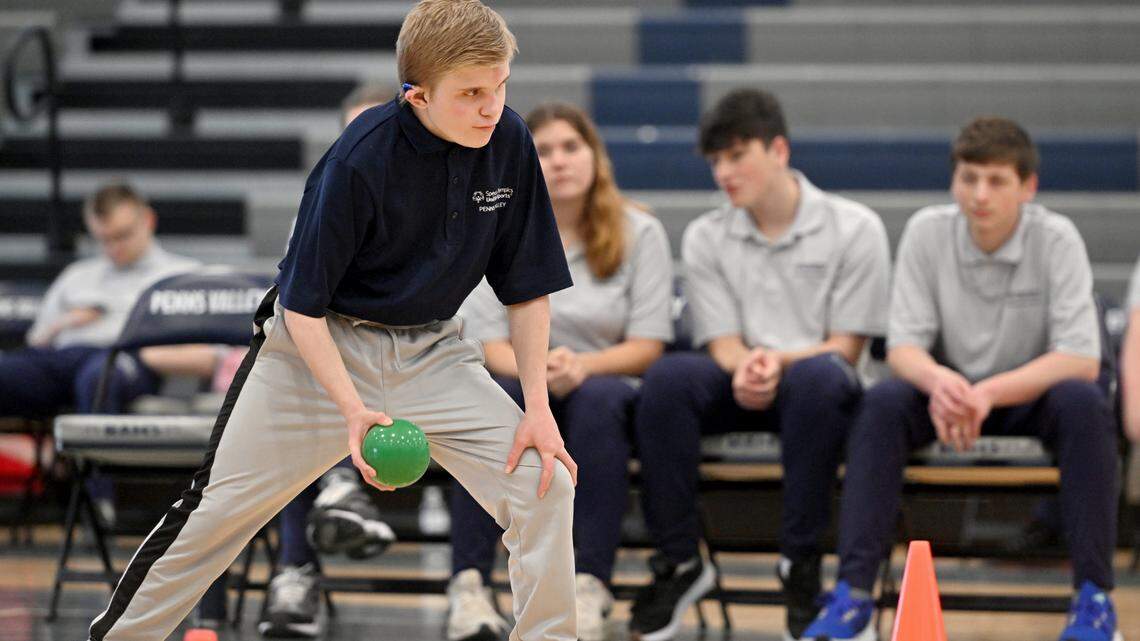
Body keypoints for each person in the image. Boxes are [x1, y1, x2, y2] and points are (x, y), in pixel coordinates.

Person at [83, 2, 580, 641]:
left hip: (432, 351)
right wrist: (351, 409)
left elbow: (529, 288)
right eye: (472, 93)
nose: (492, 107)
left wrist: (537, 409)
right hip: (318, 348)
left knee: (545, 483)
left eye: (501, 85)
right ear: (418, 95)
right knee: (215, 514)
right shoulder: (359, 158)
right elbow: (301, 305)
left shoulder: (507, 140)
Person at [804, 117, 1122, 641]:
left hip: (1026, 394)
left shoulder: (1057, 237)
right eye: (968, 178)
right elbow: (903, 347)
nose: (979, 194)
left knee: (1085, 402)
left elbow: (1080, 358)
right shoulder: (928, 232)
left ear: (1028, 186)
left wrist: (987, 393)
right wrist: (941, 384)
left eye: (996, 181)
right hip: (945, 395)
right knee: (882, 401)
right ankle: (854, 597)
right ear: (953, 181)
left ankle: (1093, 598)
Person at [627, 88, 892, 641]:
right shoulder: (706, 235)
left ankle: (799, 565)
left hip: (819, 385)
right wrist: (746, 366)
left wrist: (771, 362)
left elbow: (845, 346)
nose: (724, 171)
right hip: (741, 377)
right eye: (715, 161)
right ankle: (680, 560)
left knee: (818, 381)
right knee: (668, 379)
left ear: (778, 150)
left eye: (736, 155)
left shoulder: (855, 227)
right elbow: (721, 342)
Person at [447, 102, 673, 641]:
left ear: (595, 156)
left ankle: (587, 586)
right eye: (543, 150)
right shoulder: (495, 226)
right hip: (518, 376)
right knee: (488, 402)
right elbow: (487, 342)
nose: (559, 161)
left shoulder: (640, 232)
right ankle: (470, 585)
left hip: (603, 382)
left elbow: (648, 344)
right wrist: (535, 375)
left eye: (571, 147)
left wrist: (581, 365)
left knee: (601, 403)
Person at [0, 182, 199, 524]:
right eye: (103, 239)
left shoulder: (180, 276)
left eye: (122, 235)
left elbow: (206, 353)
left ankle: (97, 507)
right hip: (60, 359)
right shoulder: (78, 276)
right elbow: (37, 343)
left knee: (98, 374)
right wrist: (64, 323)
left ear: (148, 221)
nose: (113, 248)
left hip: (125, 362)